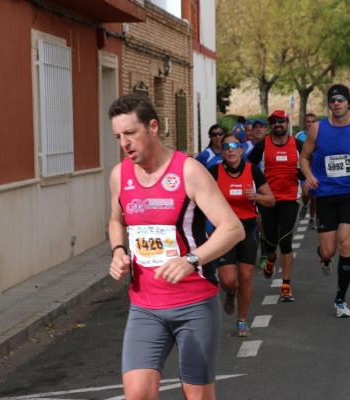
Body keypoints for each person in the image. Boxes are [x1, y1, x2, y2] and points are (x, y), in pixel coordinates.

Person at [107, 94, 244, 400]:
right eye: (118, 136)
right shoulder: (120, 176)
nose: (124, 143)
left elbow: (232, 228)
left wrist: (191, 259)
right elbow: (116, 220)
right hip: (145, 307)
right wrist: (118, 250)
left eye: (130, 133)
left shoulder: (188, 171)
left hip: (193, 305)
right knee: (138, 395)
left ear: (153, 127)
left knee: (197, 396)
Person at [300, 84, 350, 318]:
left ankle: (340, 299)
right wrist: (309, 176)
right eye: (332, 100)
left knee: (346, 243)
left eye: (341, 100)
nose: (337, 103)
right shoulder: (317, 129)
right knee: (328, 250)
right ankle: (324, 258)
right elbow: (304, 157)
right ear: (329, 104)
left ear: (348, 103)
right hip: (325, 196)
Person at [210, 133, 275, 336]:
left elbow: (271, 199)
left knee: (246, 276)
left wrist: (255, 196)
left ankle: (242, 320)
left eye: (234, 146)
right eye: (226, 146)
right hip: (224, 230)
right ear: (221, 151)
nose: (230, 149)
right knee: (228, 280)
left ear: (241, 150)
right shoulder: (214, 172)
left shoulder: (253, 171)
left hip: (247, 229)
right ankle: (230, 292)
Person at [248, 109, 304, 302]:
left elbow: (307, 166)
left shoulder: (297, 144)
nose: (277, 124)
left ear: (287, 123)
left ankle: (286, 285)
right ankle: (270, 258)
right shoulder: (263, 145)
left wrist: (306, 179)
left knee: (286, 240)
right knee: (270, 240)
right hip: (268, 199)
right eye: (274, 122)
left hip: (290, 199)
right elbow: (250, 167)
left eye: (281, 121)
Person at [296, 113, 318, 228]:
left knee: (314, 196)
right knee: (306, 193)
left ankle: (312, 218)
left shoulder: (321, 135)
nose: (310, 124)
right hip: (304, 169)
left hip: (316, 169)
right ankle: (304, 205)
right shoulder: (299, 136)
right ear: (304, 123)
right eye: (308, 121)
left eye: (313, 122)